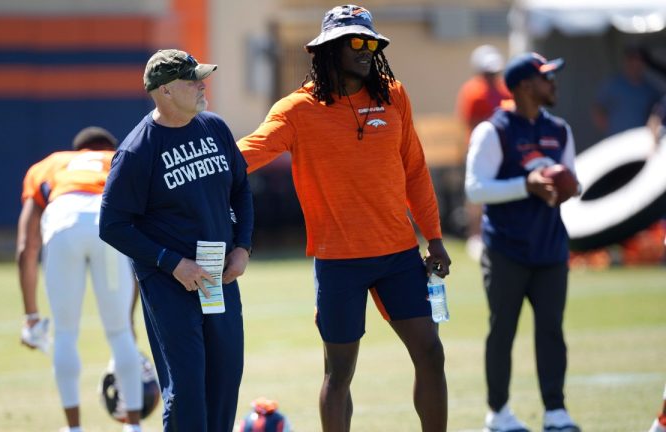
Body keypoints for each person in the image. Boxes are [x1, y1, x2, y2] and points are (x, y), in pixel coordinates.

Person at [238, 5, 452, 431]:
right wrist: (186, 159)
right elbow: (247, 154)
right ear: (328, 50)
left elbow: (414, 170)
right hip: (339, 263)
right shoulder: (297, 109)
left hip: (398, 255)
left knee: (430, 353)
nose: (367, 49)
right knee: (339, 373)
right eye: (356, 41)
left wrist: (435, 237)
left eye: (372, 42)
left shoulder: (395, 95)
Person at [98, 49, 253, 432]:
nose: (202, 85)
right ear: (165, 92)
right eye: (192, 79)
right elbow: (112, 224)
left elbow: (241, 189)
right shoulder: (137, 151)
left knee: (225, 376)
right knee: (186, 388)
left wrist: (243, 246)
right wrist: (172, 262)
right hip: (170, 283)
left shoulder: (214, 127)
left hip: (217, 276)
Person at [465, 52, 582, 432]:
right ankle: (498, 413)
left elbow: (571, 181)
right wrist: (526, 184)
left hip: (549, 245)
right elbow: (475, 188)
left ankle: (556, 411)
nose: (554, 84)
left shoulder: (560, 129)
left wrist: (566, 189)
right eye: (547, 77)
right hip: (506, 249)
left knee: (551, 329)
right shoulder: (494, 130)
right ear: (525, 86)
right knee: (503, 330)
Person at [16, 127, 143, 432]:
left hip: (62, 224)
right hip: (108, 225)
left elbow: (25, 247)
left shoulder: (50, 164)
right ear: (109, 148)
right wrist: (130, 315)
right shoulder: (121, 159)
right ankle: (134, 426)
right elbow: (141, 239)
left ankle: (74, 428)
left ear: (77, 150)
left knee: (65, 333)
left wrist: (31, 316)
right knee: (120, 333)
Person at [456, 44, 511, 260]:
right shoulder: (473, 92)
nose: (492, 76)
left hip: (502, 149)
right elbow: (469, 122)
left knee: (500, 192)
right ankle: (475, 236)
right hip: (479, 149)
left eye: (494, 72)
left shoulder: (505, 90)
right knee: (476, 194)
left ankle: (498, 232)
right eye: (488, 72)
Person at [592, 45, 661, 139]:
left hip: (640, 141)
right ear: (626, 61)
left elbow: (657, 115)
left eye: (640, 60)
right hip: (616, 140)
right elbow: (598, 109)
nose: (636, 63)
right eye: (632, 59)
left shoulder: (650, 89)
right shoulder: (613, 84)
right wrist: (610, 129)